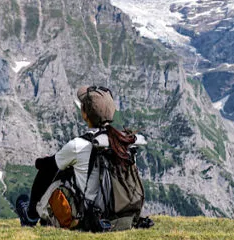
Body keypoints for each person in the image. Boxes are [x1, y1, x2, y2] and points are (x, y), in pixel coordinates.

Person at [15, 85, 149, 230]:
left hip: (87, 217)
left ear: (85, 114)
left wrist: (40, 162)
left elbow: (49, 167)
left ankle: (31, 216)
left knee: (51, 172)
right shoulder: (122, 142)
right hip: (117, 214)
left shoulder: (79, 145)